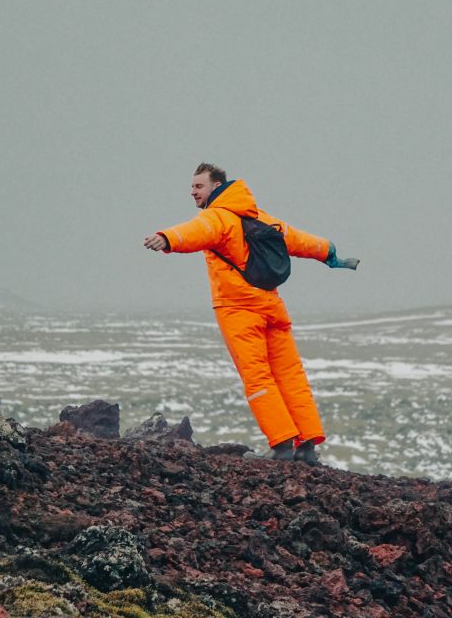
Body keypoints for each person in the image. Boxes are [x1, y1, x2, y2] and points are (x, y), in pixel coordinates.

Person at [144, 163, 357, 465]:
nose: (193, 192)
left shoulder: (218, 217)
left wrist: (167, 238)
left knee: (258, 377)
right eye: (192, 187)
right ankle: (306, 446)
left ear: (216, 186)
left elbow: (196, 231)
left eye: (198, 186)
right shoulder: (260, 217)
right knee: (290, 375)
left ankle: (282, 445)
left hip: (239, 310)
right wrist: (330, 254)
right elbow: (297, 239)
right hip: (272, 307)